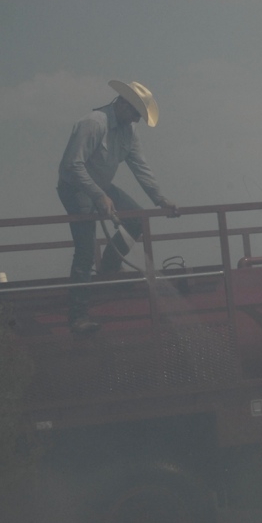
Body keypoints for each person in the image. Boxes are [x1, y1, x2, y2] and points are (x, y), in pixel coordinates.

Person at [57, 80, 177, 334]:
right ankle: (78, 317)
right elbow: (72, 165)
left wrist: (160, 199)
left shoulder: (128, 131)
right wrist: (99, 195)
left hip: (101, 184)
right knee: (85, 250)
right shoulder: (93, 123)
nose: (136, 120)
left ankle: (110, 265)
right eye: (136, 113)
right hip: (76, 187)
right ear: (122, 103)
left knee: (134, 220)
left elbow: (139, 166)